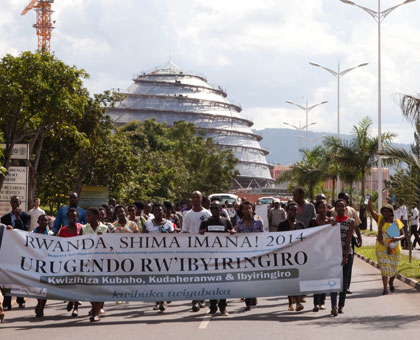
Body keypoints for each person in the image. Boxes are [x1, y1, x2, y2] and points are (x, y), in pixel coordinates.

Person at [199, 200, 235, 316]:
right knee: (212, 282)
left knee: (224, 282)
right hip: (210, 257)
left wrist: (232, 232)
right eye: (212, 208)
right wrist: (201, 234)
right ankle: (213, 306)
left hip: (223, 257)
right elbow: (199, 238)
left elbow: (233, 233)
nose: (214, 210)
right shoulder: (205, 222)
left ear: (220, 209)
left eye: (216, 208)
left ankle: (223, 307)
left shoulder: (226, 221)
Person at [368, 197, 405, 295]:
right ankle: (385, 288)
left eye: (387, 211)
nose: (385, 213)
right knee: (384, 268)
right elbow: (371, 211)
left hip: (394, 247)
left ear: (391, 212)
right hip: (382, 247)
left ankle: (391, 281)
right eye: (383, 211)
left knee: (394, 268)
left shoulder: (396, 222)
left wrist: (396, 238)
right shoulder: (380, 220)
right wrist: (369, 202)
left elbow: (403, 235)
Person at [182, 191, 211, 312]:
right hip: (192, 249)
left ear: (201, 199)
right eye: (193, 197)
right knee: (193, 274)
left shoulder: (207, 213)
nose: (195, 199)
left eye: (197, 197)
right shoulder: (188, 215)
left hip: (205, 249)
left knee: (203, 274)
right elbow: (185, 231)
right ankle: (194, 299)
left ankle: (202, 297)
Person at [1, 195, 30, 310]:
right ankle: (7, 302)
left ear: (20, 203)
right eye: (13, 202)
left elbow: (25, 230)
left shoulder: (25, 216)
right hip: (9, 250)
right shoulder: (4, 218)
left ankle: (20, 299)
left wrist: (18, 218)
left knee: (20, 275)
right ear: (10, 203)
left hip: (21, 251)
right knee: (8, 277)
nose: (15, 204)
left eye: (17, 202)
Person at [330, 192, 362, 294]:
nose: (347, 201)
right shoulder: (332, 212)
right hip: (335, 241)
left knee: (349, 263)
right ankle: (336, 285)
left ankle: (346, 286)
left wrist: (359, 238)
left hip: (349, 239)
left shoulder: (352, 210)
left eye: (348, 199)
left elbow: (356, 225)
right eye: (345, 199)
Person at [144, 203, 174, 312]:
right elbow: (142, 240)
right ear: (153, 212)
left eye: (160, 210)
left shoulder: (169, 224)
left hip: (166, 256)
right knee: (155, 279)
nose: (158, 212)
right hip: (151, 256)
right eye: (155, 210)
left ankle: (163, 301)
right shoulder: (147, 224)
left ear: (163, 212)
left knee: (165, 279)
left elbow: (173, 240)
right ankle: (157, 301)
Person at [80, 207, 109, 322]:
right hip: (87, 262)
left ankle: (96, 313)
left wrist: (104, 238)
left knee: (99, 288)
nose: (87, 217)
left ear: (97, 216)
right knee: (89, 288)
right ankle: (94, 307)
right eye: (86, 215)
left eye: (89, 215)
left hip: (101, 263)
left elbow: (111, 246)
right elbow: (78, 244)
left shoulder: (105, 228)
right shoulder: (83, 228)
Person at [236, 200, 264, 311]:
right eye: (245, 208)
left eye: (249, 208)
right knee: (245, 277)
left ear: (252, 209)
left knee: (254, 276)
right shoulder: (239, 223)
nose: (247, 210)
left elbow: (262, 237)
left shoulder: (259, 222)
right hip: (243, 254)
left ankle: (254, 294)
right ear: (242, 211)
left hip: (256, 253)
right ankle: (248, 301)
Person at [278, 201, 305, 311]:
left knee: (297, 279)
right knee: (288, 280)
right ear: (286, 211)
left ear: (297, 211)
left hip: (298, 257)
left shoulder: (300, 225)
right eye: (290, 210)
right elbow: (277, 240)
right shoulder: (282, 225)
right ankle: (290, 303)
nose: (293, 212)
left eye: (295, 210)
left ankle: (298, 302)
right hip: (285, 257)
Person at [308, 200, 335, 312]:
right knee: (316, 278)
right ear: (316, 209)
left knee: (324, 277)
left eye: (323, 207)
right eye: (319, 208)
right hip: (315, 253)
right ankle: (315, 303)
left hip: (327, 254)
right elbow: (308, 237)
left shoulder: (331, 222)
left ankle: (322, 302)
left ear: (327, 209)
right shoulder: (313, 222)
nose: (321, 210)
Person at [330, 199, 354, 316]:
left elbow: (349, 239)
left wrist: (345, 256)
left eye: (342, 206)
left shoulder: (350, 221)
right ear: (335, 208)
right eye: (338, 206)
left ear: (345, 208)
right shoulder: (331, 221)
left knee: (344, 281)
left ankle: (341, 305)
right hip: (333, 255)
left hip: (347, 253)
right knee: (334, 280)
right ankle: (333, 305)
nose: (340, 208)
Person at [57, 208, 83, 317]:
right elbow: (59, 244)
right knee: (68, 284)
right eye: (70, 216)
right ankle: (70, 300)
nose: (72, 218)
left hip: (79, 261)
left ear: (77, 218)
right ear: (67, 217)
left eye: (74, 216)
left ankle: (75, 307)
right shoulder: (63, 230)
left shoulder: (81, 228)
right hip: (66, 262)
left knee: (76, 284)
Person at [33, 215, 53, 317]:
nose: (44, 223)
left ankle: (41, 307)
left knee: (44, 287)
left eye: (46, 221)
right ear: (38, 221)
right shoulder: (31, 234)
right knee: (37, 287)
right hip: (34, 264)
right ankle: (39, 303)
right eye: (42, 221)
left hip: (47, 265)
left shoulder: (51, 234)